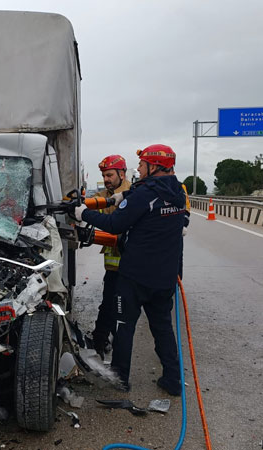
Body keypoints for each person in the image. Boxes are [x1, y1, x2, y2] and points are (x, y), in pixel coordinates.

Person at [75, 144, 186, 395]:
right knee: (163, 329)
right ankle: (172, 380)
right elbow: (148, 198)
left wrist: (84, 213)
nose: (139, 168)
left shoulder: (146, 195)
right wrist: (122, 197)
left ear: (154, 166)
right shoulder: (177, 192)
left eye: (143, 165)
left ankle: (120, 380)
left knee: (124, 327)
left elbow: (115, 224)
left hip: (135, 276)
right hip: (165, 277)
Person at [91, 155, 131, 357]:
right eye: (103, 175)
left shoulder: (132, 194)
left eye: (109, 175)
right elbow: (92, 205)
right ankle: (100, 340)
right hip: (114, 263)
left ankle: (116, 346)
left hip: (131, 262)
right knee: (109, 302)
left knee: (121, 306)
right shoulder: (103, 194)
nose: (106, 179)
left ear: (122, 174)